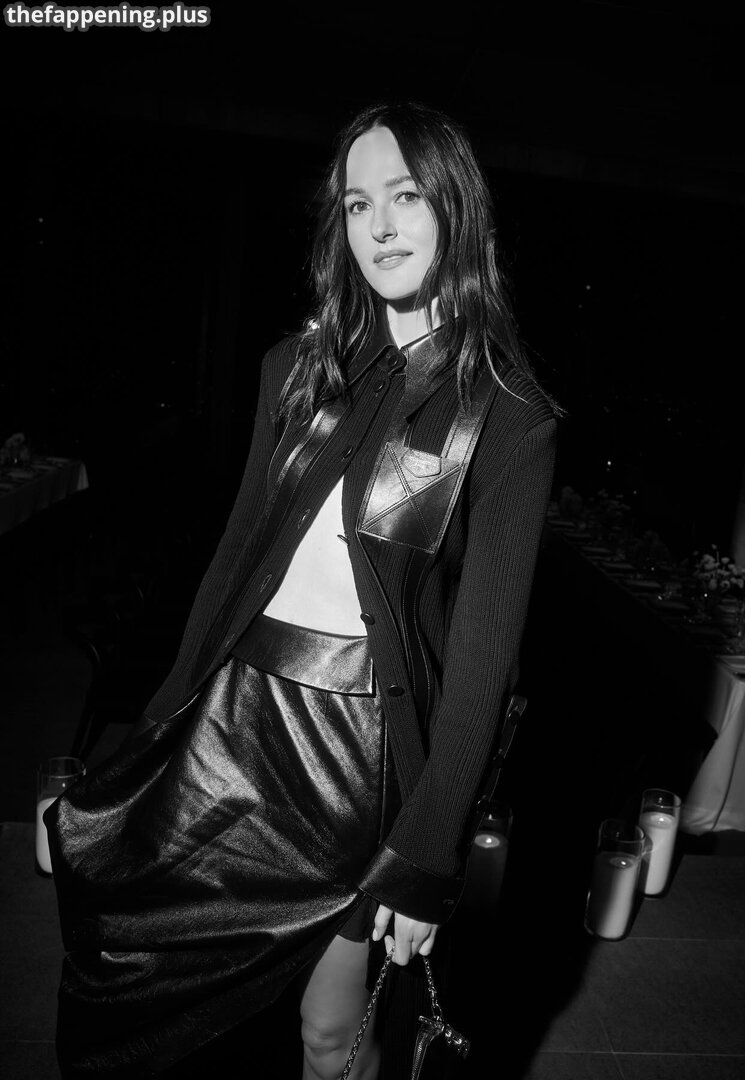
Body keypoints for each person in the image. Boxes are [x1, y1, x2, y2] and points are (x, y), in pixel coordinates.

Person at [46, 101, 559, 1079]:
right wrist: (161, 727)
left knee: (331, 1030)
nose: (381, 226)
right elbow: (233, 564)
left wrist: (426, 854)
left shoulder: (509, 415)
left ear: (456, 208)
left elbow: (484, 665)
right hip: (237, 717)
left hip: (357, 753)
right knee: (131, 963)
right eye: (359, 204)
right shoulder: (298, 370)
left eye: (407, 196)